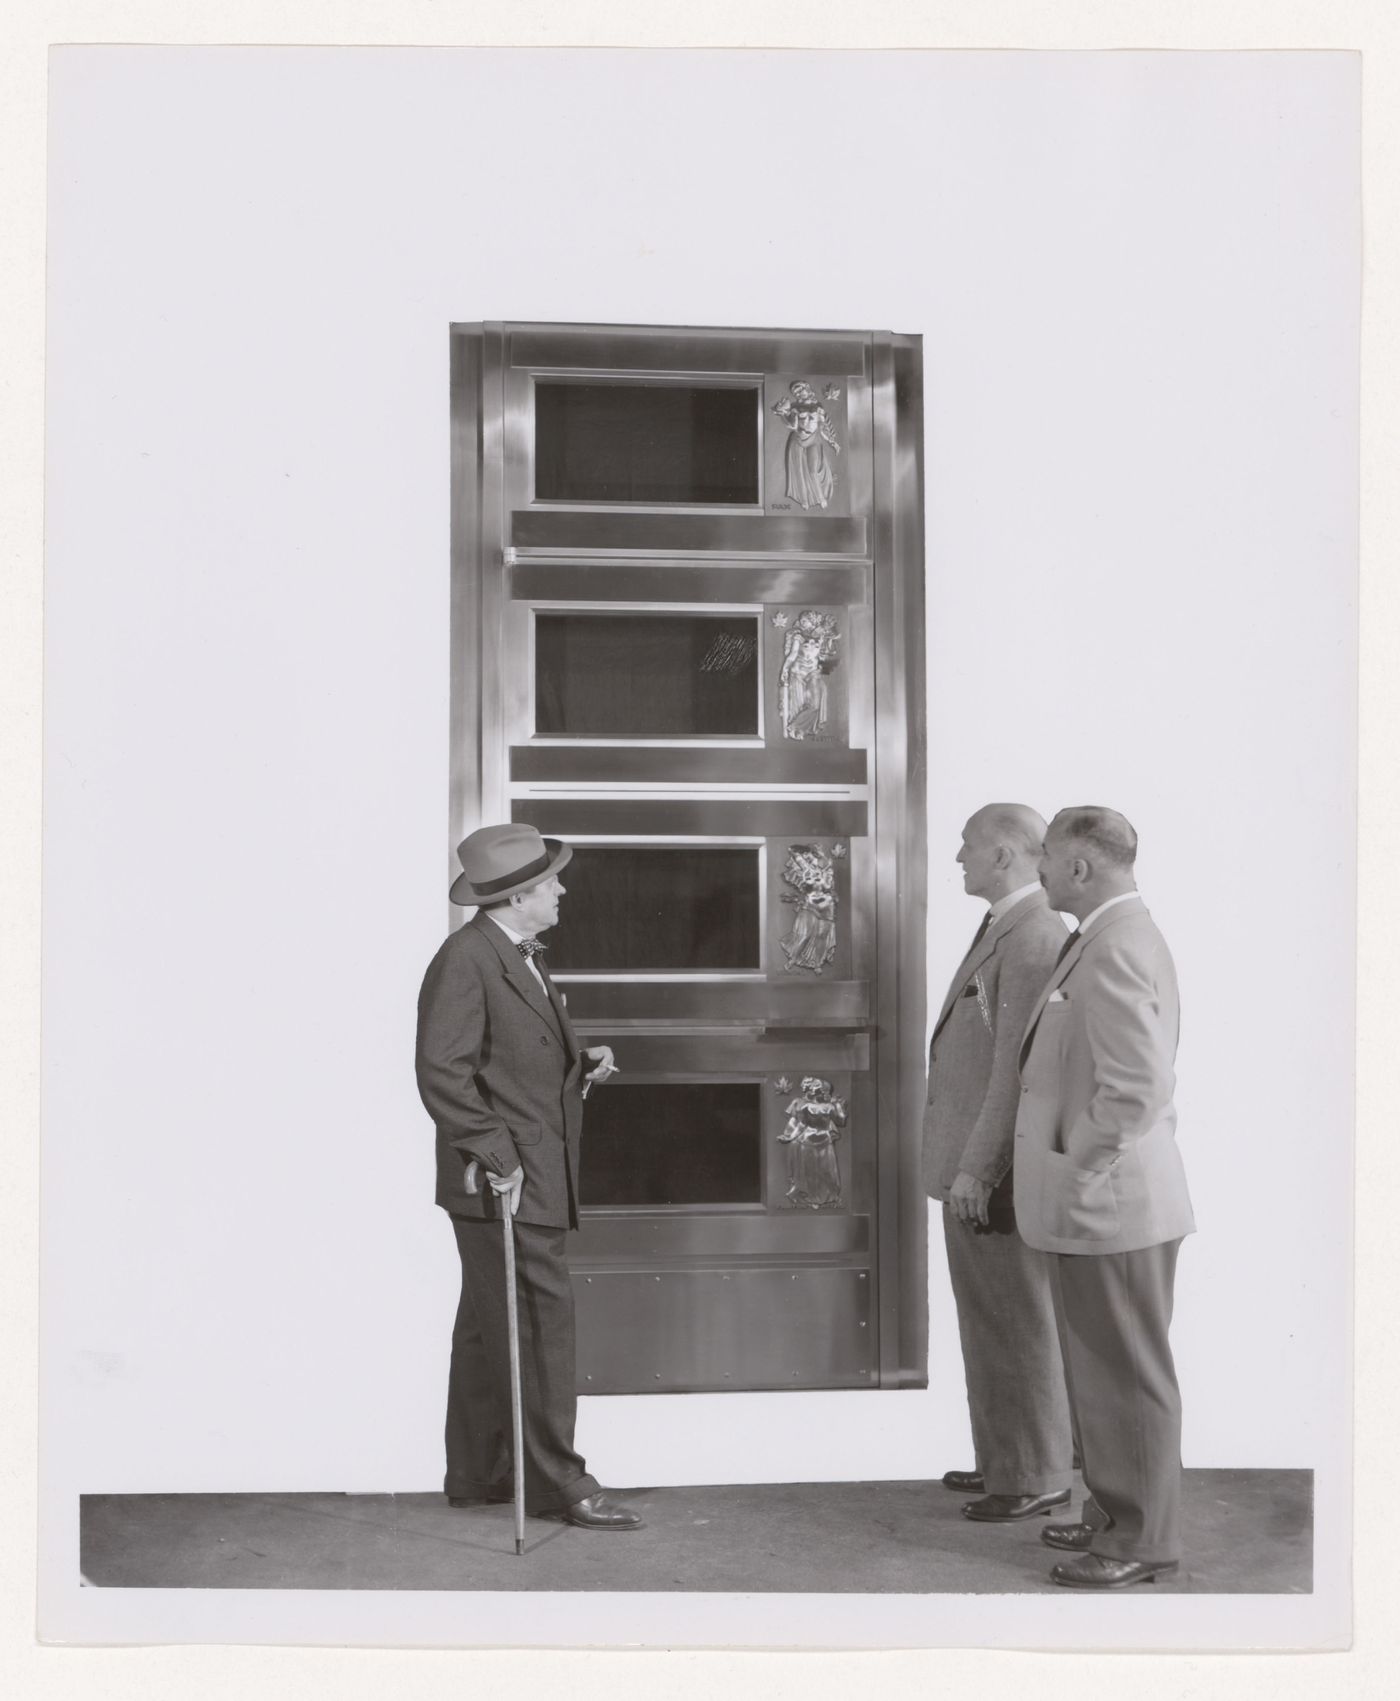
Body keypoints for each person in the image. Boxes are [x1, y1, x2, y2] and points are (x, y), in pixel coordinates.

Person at [415, 823, 642, 1531]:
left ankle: (479, 1473)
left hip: (527, 1167)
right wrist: (499, 1155)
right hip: (507, 1178)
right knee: (539, 1324)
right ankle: (560, 1484)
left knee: (490, 1325)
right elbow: (442, 1073)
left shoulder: (512, 952)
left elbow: (510, 1055)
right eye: (550, 881)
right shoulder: (467, 960)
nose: (561, 888)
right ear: (516, 896)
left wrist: (582, 1058)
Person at [1015, 808, 1195, 1588]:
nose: (1040, 872)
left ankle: (1142, 1540)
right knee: (1102, 1370)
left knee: (1124, 1375)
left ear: (1082, 868)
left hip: (1111, 1204)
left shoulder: (1117, 944)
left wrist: (1079, 1163)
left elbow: (1138, 1087)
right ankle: (1113, 1510)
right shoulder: (1102, 937)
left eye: (1047, 859)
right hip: (1100, 1202)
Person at [923, 804, 1074, 1523]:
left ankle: (1035, 1473)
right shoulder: (1010, 925)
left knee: (1016, 1321)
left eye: (969, 846)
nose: (958, 856)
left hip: (996, 1171)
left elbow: (1017, 1068)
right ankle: (1005, 1460)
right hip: (980, 1162)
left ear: (1008, 854)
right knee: (991, 1318)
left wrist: (977, 1168)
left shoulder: (1035, 931)